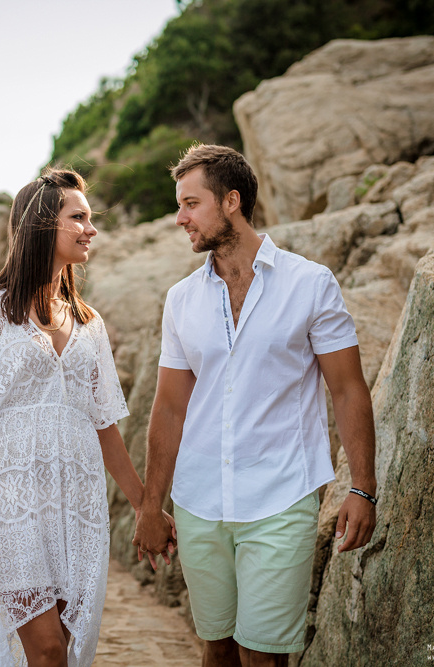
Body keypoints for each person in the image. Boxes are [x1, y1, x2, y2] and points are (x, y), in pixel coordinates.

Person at [133, 144, 377, 667]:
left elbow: (349, 389)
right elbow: (170, 407)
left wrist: (361, 486)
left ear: (231, 202)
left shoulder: (310, 284)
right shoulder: (181, 300)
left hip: (281, 498)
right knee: (216, 648)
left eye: (190, 203)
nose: (180, 218)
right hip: (200, 500)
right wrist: (151, 507)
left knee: (263, 656)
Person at [0, 169, 163, 667]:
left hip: (76, 505)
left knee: (67, 644)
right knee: (49, 649)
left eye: (90, 218)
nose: (90, 229)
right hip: (12, 504)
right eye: (78, 218)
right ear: (40, 226)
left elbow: (105, 424)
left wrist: (145, 505)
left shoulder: (88, 322)